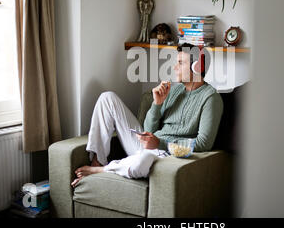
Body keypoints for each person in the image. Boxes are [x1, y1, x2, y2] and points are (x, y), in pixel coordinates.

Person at [71, 43, 224, 187]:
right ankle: (97, 161)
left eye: (180, 63)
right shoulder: (175, 90)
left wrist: (160, 143)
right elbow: (148, 128)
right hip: (147, 145)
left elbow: (204, 143)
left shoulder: (210, 98)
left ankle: (101, 170)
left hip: (166, 153)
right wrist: (157, 104)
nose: (175, 67)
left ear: (196, 67)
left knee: (140, 163)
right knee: (107, 98)